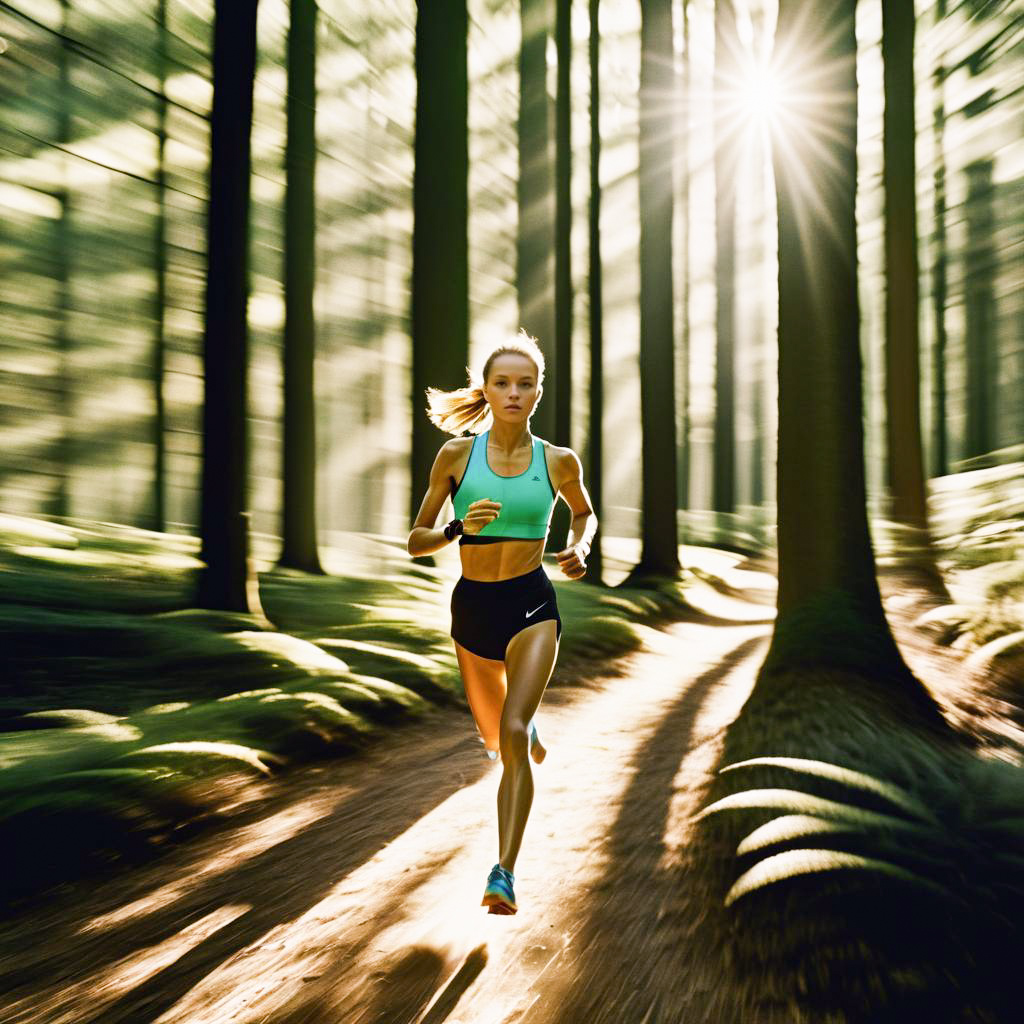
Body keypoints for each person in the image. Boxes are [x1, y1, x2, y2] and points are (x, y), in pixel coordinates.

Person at [407, 330, 597, 915]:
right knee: (497, 739)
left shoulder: (558, 461)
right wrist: (459, 530)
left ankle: (504, 872)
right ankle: (524, 731)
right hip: (473, 611)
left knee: (510, 734)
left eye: (525, 383)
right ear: (485, 391)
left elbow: (584, 513)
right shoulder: (456, 457)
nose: (514, 393)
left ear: (539, 393)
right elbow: (416, 541)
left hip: (531, 604)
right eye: (502, 383)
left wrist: (578, 547)